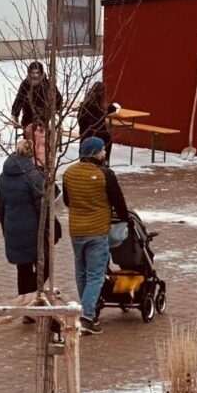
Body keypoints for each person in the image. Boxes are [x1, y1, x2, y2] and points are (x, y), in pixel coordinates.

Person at [63, 137, 129, 335]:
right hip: (98, 231)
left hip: (76, 231)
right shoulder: (105, 174)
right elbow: (118, 201)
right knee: (96, 275)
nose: (104, 154)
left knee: (81, 272)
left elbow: (67, 201)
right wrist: (125, 218)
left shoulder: (69, 173)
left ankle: (85, 310)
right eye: (101, 151)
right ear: (94, 153)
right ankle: (88, 315)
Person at [0, 140, 57, 316]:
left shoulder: (4, 176)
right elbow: (42, 208)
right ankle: (32, 301)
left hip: (12, 228)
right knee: (45, 263)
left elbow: (0, 205)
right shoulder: (33, 176)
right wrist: (51, 228)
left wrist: (5, 227)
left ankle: (25, 308)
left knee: (22, 269)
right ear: (32, 155)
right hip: (32, 231)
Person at [12, 61, 63, 167]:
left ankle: (42, 165)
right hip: (28, 119)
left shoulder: (47, 84)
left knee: (43, 145)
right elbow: (19, 100)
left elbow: (58, 100)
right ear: (29, 73)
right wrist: (15, 114)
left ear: (41, 73)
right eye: (32, 73)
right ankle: (29, 165)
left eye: (37, 73)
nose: (35, 75)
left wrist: (53, 109)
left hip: (44, 120)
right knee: (30, 145)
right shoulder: (25, 84)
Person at [78, 82, 119, 162]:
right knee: (108, 137)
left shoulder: (85, 105)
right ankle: (106, 163)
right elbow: (99, 123)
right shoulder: (97, 107)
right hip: (95, 138)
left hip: (84, 137)